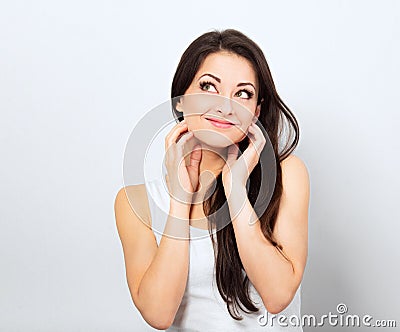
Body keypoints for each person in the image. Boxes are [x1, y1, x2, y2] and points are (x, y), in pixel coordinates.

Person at [114, 29, 310, 331]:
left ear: (256, 112)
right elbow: (158, 314)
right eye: (208, 87)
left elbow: (278, 295)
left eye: (242, 93)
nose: (225, 106)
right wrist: (180, 199)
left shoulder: (288, 175)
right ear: (180, 100)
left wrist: (235, 190)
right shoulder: (134, 201)